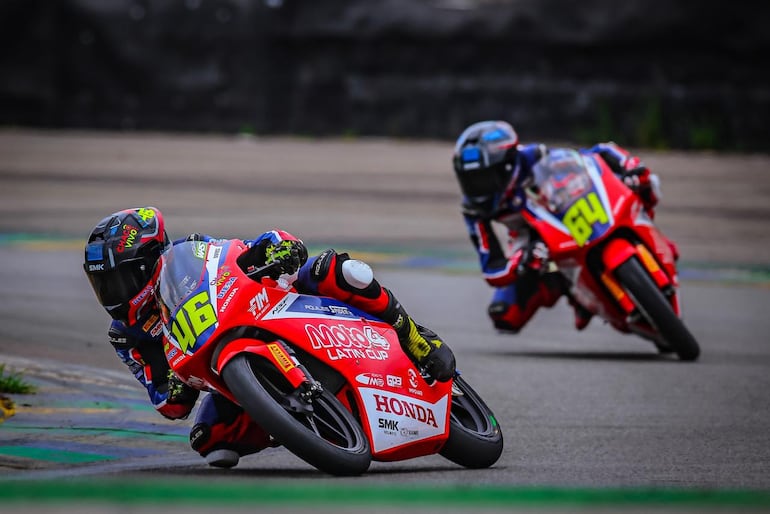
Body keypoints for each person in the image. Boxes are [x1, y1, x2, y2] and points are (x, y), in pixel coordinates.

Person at [83, 206, 455, 468]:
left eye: (119, 281)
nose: (112, 294)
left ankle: (415, 337)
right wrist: (177, 386)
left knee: (339, 271)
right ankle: (289, 420)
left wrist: (277, 247)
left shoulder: (191, 250)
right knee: (210, 440)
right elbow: (167, 404)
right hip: (223, 362)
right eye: (102, 284)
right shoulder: (126, 337)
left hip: (269, 303)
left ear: (149, 261)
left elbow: (244, 249)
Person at [451, 120, 676, 334]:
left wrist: (629, 166)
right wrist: (519, 262)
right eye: (470, 181)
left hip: (572, 208)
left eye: (483, 179)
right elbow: (491, 269)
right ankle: (571, 291)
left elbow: (598, 153)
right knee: (504, 314)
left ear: (506, 166)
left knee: (646, 183)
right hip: (535, 243)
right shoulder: (474, 210)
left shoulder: (535, 156)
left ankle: (652, 237)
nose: (477, 189)